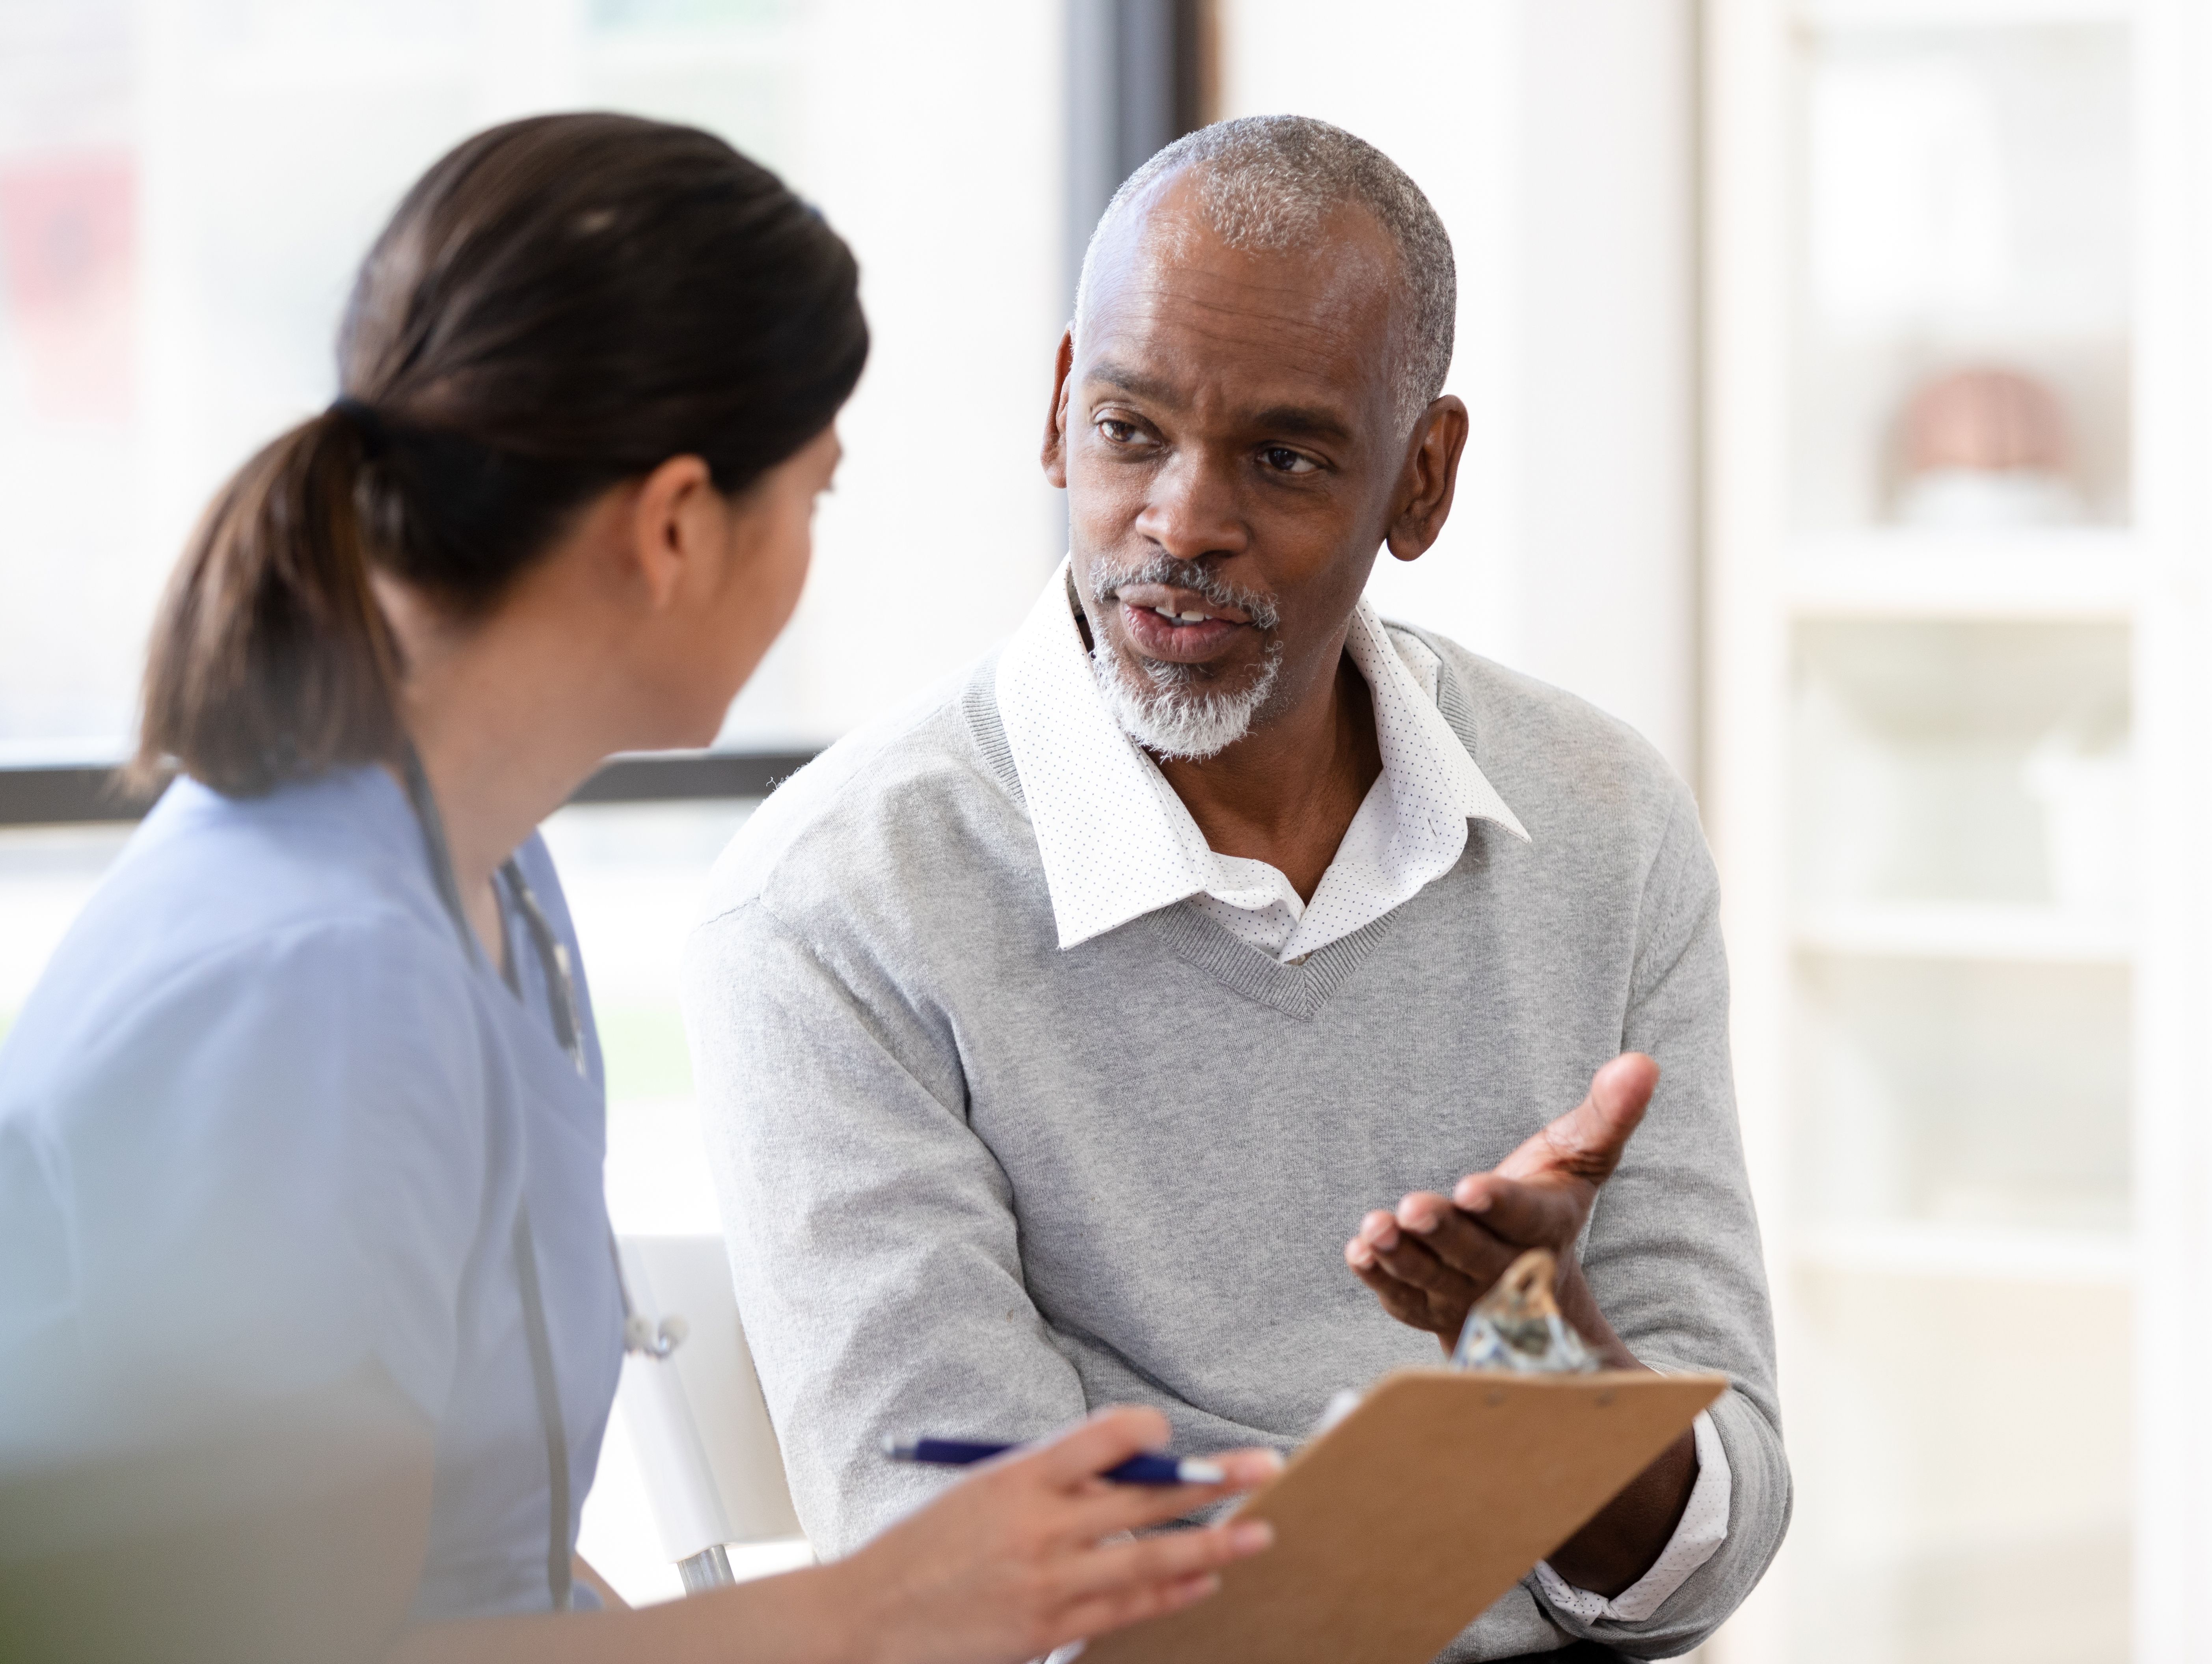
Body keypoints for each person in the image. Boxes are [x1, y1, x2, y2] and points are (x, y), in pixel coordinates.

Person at [0, 114, 1275, 1664]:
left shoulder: (489, 884)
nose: (810, 551)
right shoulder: (315, 985)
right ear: (674, 525)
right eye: (813, 495)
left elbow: (477, 1577)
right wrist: (865, 1614)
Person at [685, 114, 1788, 1662]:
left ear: (1421, 479)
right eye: (1128, 430)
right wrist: (1480, 1474)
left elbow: (1714, 1547)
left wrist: (1545, 1368)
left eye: (1282, 458)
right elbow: (957, 1582)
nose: (1182, 523)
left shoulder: (1597, 817)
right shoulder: (835, 907)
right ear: (1058, 412)